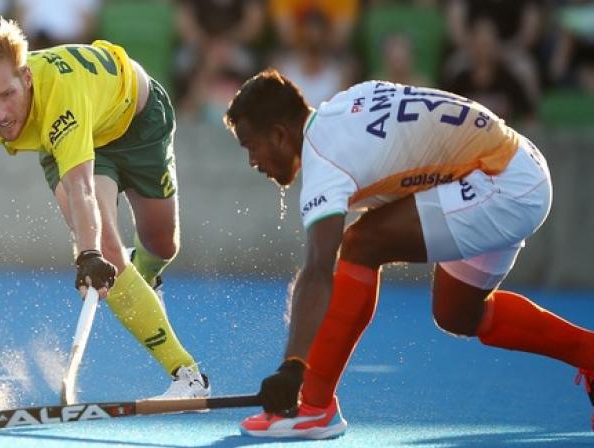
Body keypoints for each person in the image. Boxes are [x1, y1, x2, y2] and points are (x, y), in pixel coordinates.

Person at [223, 69, 594, 439]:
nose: (252, 160)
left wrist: (294, 367)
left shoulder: (326, 164)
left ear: (279, 135)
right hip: (515, 164)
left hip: (502, 184)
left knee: (361, 243)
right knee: (457, 313)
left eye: (250, 145)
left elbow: (318, 270)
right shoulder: (345, 103)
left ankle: (316, 409)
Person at [0, 18, 210, 399]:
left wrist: (89, 254)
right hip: (66, 141)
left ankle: (144, 276)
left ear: (27, 78)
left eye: (7, 94)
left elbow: (80, 187)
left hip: (137, 118)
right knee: (109, 251)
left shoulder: (59, 94)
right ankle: (189, 376)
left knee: (162, 244)